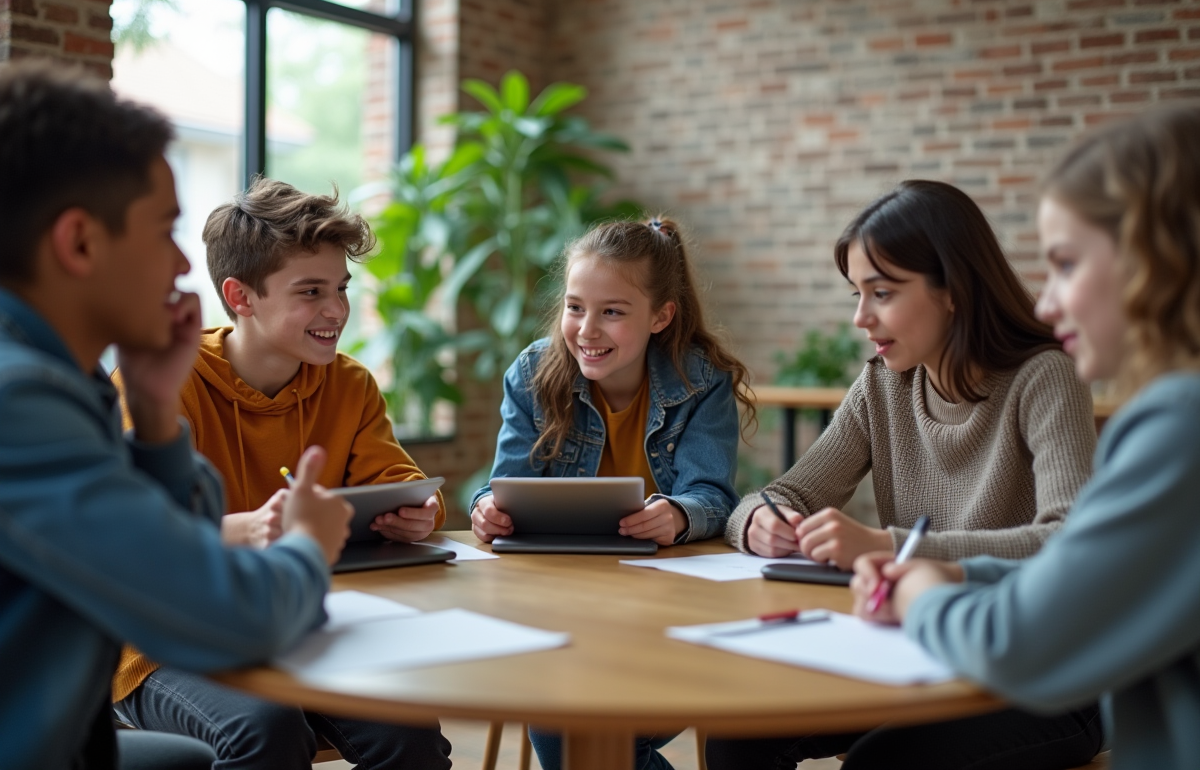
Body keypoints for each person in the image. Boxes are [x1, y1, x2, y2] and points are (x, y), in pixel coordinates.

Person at [0, 61, 352, 770]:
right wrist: (308, 547)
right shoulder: (21, 404)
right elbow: (226, 617)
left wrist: (156, 413)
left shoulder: (71, 376)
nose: (181, 268)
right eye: (164, 232)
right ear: (79, 242)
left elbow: (162, 547)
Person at [708, 180, 1104, 769]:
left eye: (882, 293)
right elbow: (783, 492)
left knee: (883, 764)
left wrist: (890, 547)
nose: (860, 317)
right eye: (857, 293)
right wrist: (759, 522)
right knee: (738, 736)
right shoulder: (884, 383)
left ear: (953, 291)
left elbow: (1070, 543)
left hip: (1050, 671)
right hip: (927, 648)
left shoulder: (1045, 376)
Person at [851, 105, 1200, 770]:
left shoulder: (1178, 426)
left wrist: (921, 594)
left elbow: (1014, 640)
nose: (1046, 303)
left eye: (1066, 264)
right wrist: (956, 572)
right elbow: (1093, 573)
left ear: (1157, 262)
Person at [111, 178, 453, 770]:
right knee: (266, 731)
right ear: (240, 296)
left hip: (297, 619)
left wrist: (416, 513)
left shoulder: (349, 384)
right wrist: (248, 529)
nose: (337, 309)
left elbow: (397, 479)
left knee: (409, 730)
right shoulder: (165, 382)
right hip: (162, 639)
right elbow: (132, 536)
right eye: (311, 291)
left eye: (341, 288)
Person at [470, 218, 756, 770]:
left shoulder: (702, 380)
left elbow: (711, 495)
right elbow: (504, 487)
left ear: (660, 316)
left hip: (672, 617)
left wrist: (677, 514)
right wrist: (487, 508)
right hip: (564, 611)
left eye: (613, 312)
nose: (587, 330)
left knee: (577, 727)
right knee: (564, 719)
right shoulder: (532, 373)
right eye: (575, 307)